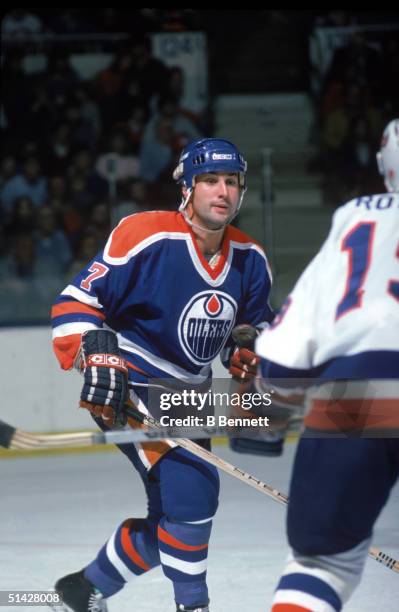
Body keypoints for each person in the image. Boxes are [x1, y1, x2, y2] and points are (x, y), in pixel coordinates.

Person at [50, 137, 274, 612]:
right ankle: (193, 606)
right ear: (187, 188)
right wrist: (95, 352)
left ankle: (84, 588)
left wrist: (249, 351)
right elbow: (74, 303)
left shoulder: (251, 258)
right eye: (210, 180)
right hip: (129, 384)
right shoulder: (144, 234)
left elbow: (254, 327)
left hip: (190, 396)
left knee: (175, 516)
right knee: (193, 497)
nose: (223, 191)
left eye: (232, 182)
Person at [255, 119, 399, 611]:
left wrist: (267, 410)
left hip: (357, 399)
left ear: (386, 166)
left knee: (323, 565)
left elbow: (282, 360)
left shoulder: (358, 216)